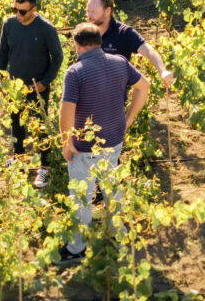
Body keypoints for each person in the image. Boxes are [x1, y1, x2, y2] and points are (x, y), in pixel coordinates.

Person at [57, 23, 150, 265]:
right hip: (114, 140)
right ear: (99, 41)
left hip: (84, 147)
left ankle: (78, 248)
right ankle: (120, 234)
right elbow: (145, 86)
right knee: (111, 187)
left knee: (81, 197)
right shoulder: (120, 62)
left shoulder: (75, 72)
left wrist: (67, 142)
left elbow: (66, 112)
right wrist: (128, 119)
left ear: (77, 45)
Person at [0, 0, 64, 188]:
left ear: (33, 10)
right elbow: (3, 55)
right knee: (16, 124)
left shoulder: (45, 28)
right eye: (14, 9)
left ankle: (44, 167)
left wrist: (46, 82)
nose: (18, 14)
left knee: (41, 126)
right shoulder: (9, 25)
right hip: (15, 86)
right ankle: (19, 159)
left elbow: (58, 56)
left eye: (23, 11)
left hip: (37, 87)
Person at [86, 0, 174, 87]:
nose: (89, 16)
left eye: (93, 11)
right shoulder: (86, 33)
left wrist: (163, 71)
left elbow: (149, 51)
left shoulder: (124, 33)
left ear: (107, 11)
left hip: (115, 97)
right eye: (88, 11)